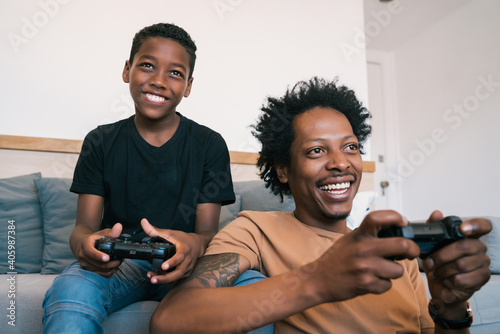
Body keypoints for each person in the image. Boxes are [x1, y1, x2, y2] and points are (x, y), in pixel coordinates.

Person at [149, 77, 492, 333]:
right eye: (316, 150)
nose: (341, 163)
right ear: (283, 169)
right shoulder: (255, 229)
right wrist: (319, 281)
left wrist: (452, 308)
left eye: (351, 147)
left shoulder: (395, 252)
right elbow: (172, 320)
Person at [42, 23, 235, 333]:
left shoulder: (208, 144)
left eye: (175, 73)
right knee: (71, 289)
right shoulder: (100, 141)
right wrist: (85, 245)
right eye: (147, 66)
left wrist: (194, 244)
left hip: (185, 268)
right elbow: (84, 228)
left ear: (188, 85)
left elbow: (208, 233)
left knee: (252, 286)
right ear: (127, 70)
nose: (158, 81)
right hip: (119, 266)